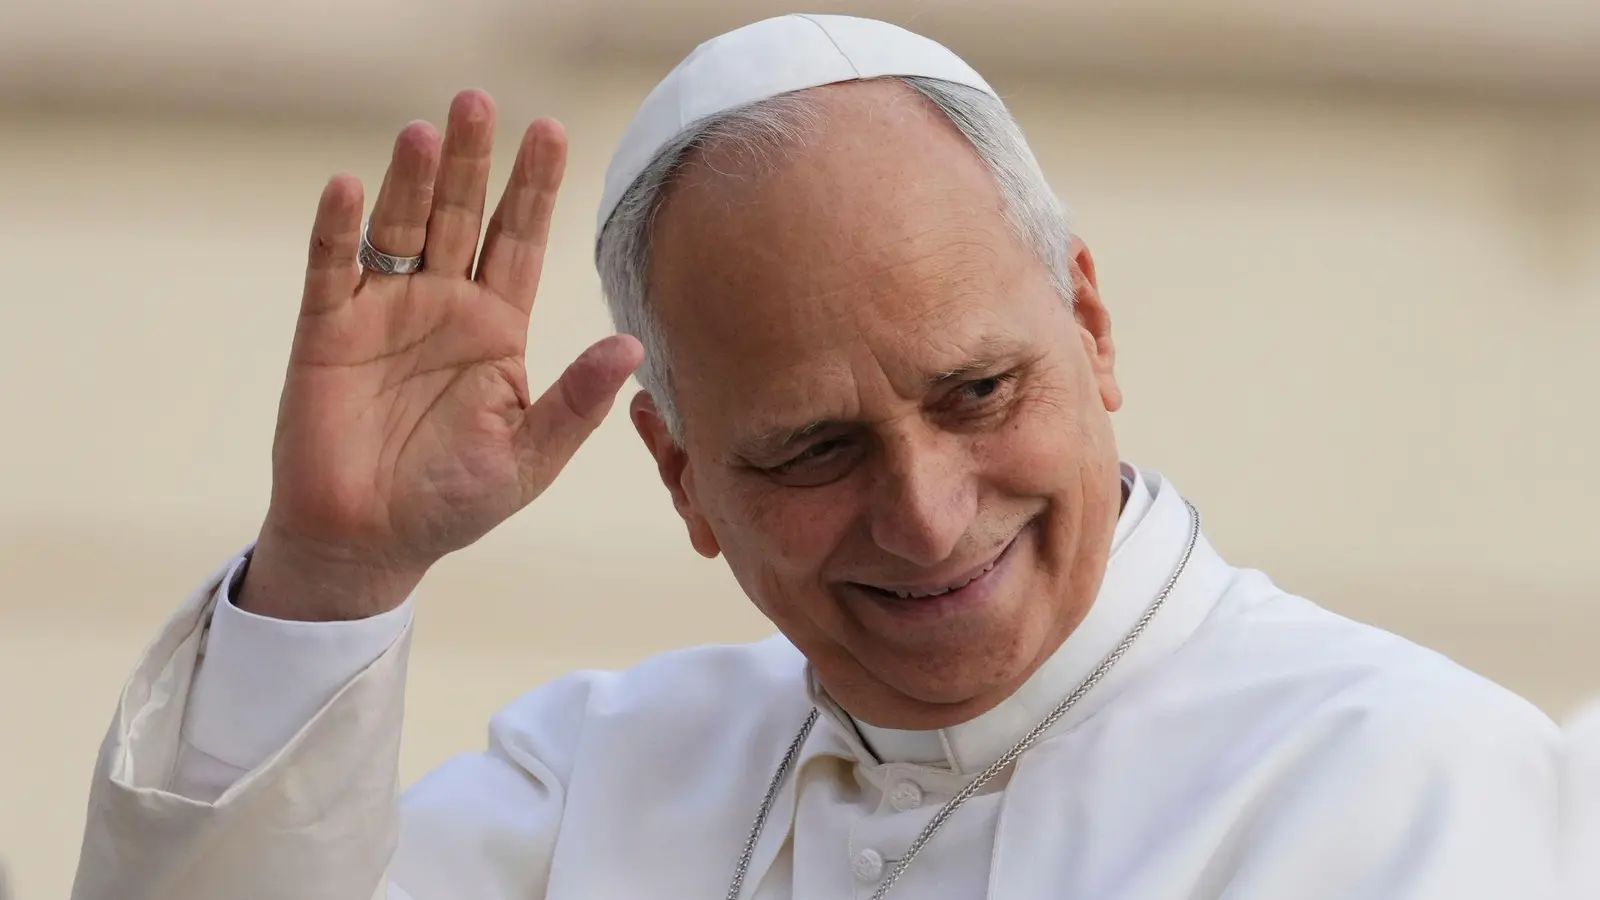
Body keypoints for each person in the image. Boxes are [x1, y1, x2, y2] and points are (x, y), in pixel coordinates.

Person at [70, 14, 1562, 900]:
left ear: (1091, 327)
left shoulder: (1405, 778)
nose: (922, 518)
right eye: (813, 450)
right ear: (680, 478)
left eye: (978, 391)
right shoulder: (599, 785)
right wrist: (333, 575)